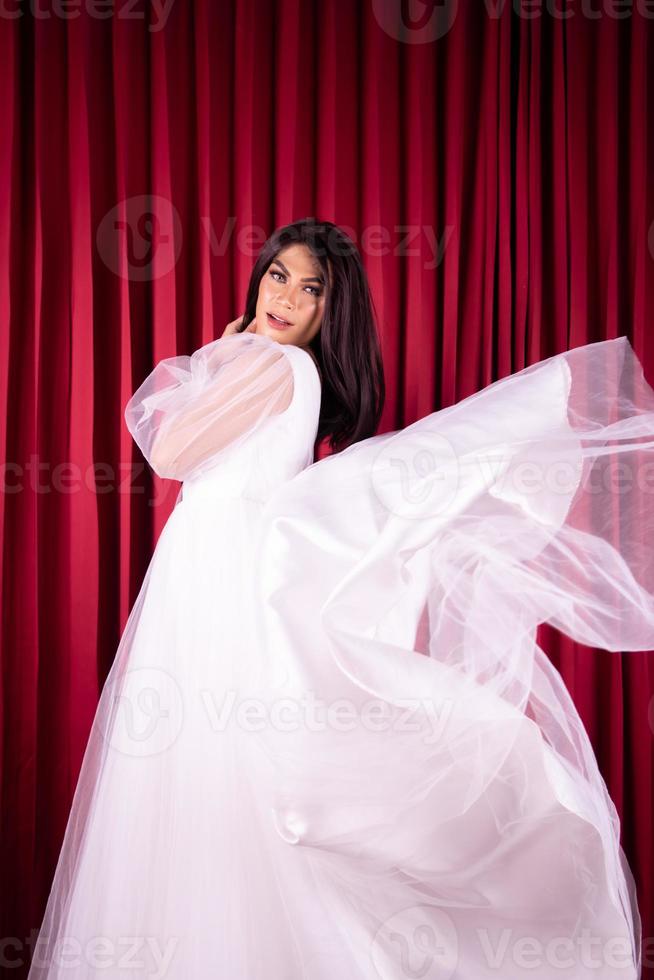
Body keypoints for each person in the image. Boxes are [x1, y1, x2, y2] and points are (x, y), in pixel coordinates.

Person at [28, 218, 654, 980]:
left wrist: (223, 353)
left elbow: (172, 449)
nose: (287, 298)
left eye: (311, 287)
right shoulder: (290, 372)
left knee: (204, 779)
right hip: (216, 580)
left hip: (217, 588)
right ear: (258, 278)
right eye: (277, 277)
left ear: (332, 308)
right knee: (218, 783)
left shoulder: (271, 364)